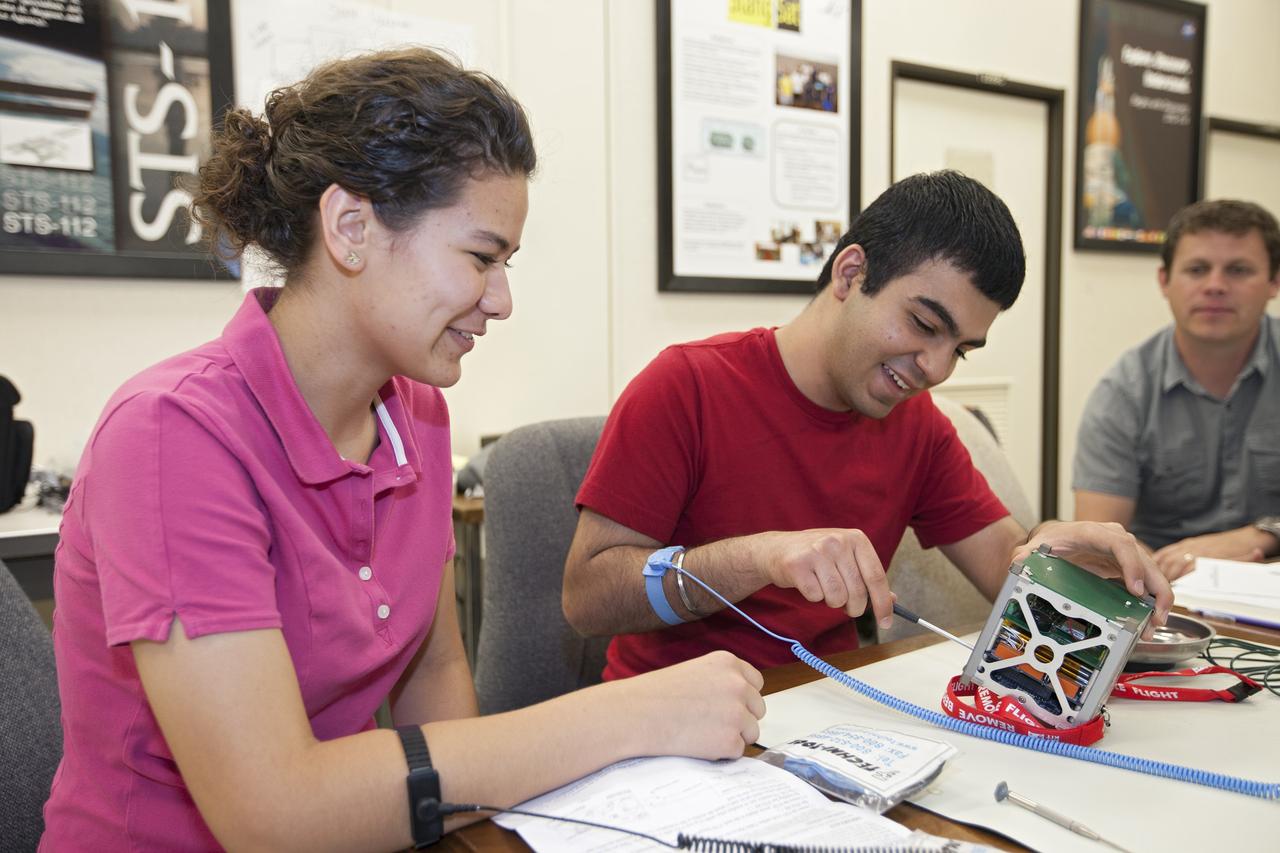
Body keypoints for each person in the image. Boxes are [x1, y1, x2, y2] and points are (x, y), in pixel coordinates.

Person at [40, 48, 765, 852]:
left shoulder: (414, 409)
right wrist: (626, 714)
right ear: (351, 226)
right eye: (480, 258)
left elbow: (433, 677)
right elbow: (273, 814)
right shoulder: (171, 435)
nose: (501, 299)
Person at [562, 171, 1173, 681]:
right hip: (668, 726)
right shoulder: (686, 386)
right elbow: (587, 598)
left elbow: (1005, 563)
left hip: (825, 719)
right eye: (923, 324)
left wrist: (1060, 558)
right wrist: (758, 557)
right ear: (851, 274)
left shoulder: (917, 427)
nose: (936, 368)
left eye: (960, 349)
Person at [1073, 199, 1280, 578]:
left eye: (1238, 270)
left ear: (1274, 282)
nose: (1215, 286)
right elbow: (1098, 536)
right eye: (1197, 269)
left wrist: (1261, 535)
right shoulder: (1123, 392)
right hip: (1165, 593)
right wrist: (1170, 572)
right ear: (1164, 281)